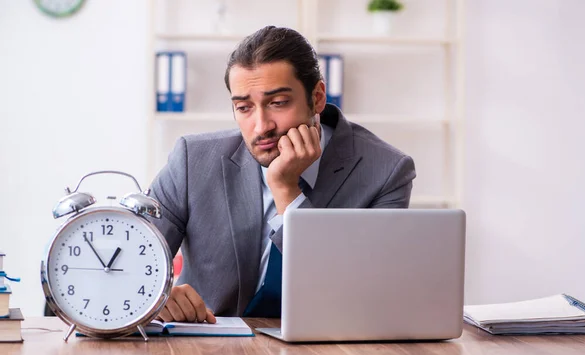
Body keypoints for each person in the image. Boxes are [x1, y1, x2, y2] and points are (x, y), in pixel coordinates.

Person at [151, 25, 416, 323]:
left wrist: (286, 190)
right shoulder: (192, 161)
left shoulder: (386, 172)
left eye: (277, 103)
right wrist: (156, 295)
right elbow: (130, 260)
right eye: (244, 107)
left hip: (328, 351)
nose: (261, 125)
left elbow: (363, 299)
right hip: (210, 349)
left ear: (317, 97)